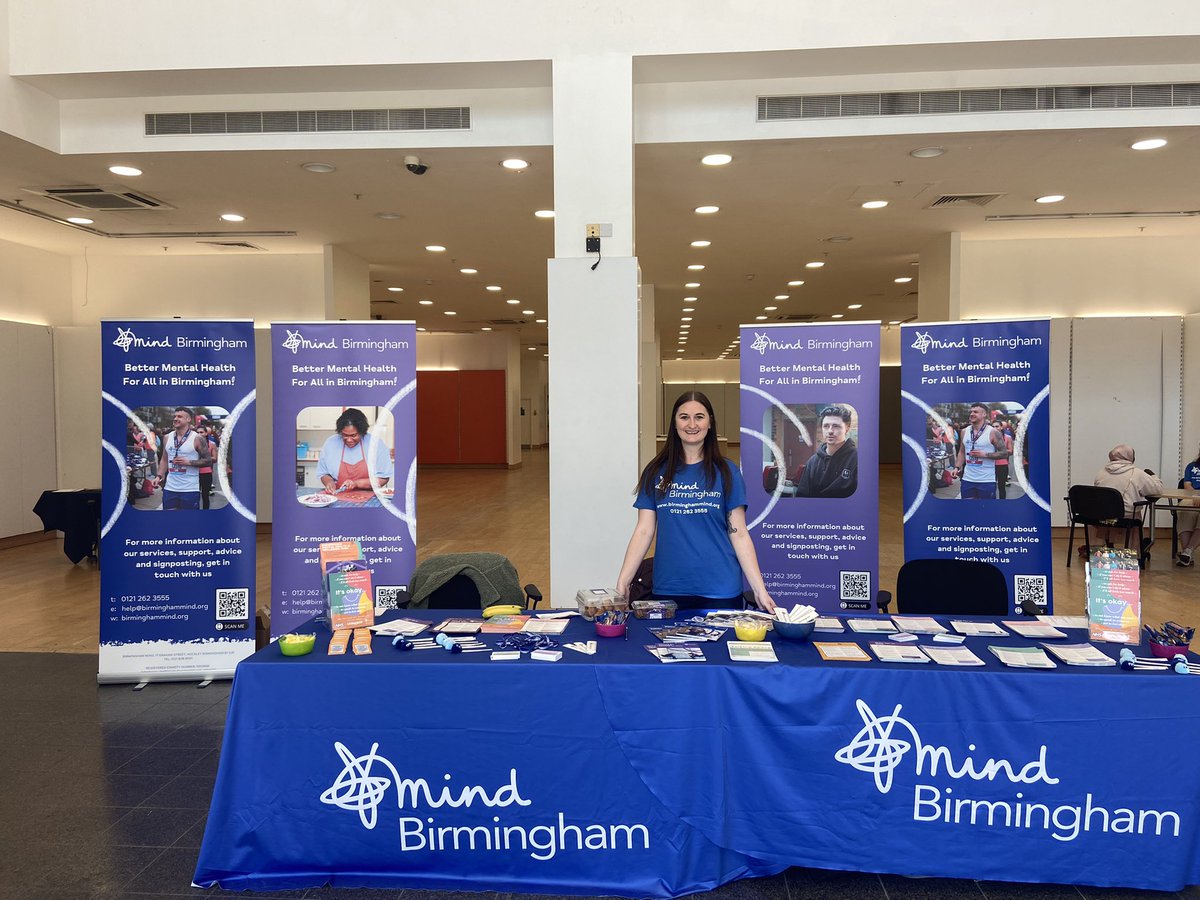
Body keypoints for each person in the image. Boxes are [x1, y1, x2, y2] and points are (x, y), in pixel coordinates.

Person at [617, 391, 775, 612]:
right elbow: (644, 531)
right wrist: (624, 579)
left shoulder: (727, 472)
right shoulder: (655, 471)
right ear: (674, 423)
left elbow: (738, 533)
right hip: (669, 588)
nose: (692, 424)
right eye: (684, 417)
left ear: (710, 422)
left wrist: (759, 589)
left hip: (720, 589)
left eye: (699, 417)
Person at [1092, 444, 1163, 548]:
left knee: (1112, 511)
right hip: (1126, 517)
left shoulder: (1101, 473)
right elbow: (1157, 490)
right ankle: (1134, 551)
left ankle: (1107, 547)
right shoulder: (1137, 473)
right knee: (1134, 511)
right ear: (1130, 457)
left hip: (1102, 517)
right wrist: (1154, 477)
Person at [315, 408, 392, 493]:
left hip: (369, 497)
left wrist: (356, 483)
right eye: (344, 435)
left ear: (362, 432)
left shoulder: (376, 444)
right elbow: (323, 473)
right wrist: (329, 482)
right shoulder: (330, 443)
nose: (349, 440)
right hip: (338, 495)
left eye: (353, 435)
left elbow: (383, 478)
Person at [793, 404, 858, 498]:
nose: (830, 431)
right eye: (826, 426)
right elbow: (802, 495)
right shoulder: (813, 461)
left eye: (836, 426)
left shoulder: (858, 459)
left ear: (847, 428)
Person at [154, 406, 210, 510]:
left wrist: (189, 462)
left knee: (189, 522)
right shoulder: (166, 437)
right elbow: (164, 459)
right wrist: (159, 476)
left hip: (190, 489)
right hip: (170, 488)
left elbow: (208, 461)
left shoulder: (197, 438)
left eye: (180, 417)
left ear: (188, 419)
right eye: (174, 416)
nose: (175, 419)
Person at [949, 403, 1009, 500]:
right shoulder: (964, 431)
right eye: (971, 412)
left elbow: (1004, 453)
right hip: (967, 479)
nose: (972, 414)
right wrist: (957, 467)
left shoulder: (993, 432)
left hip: (986, 480)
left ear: (984, 414)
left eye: (975, 412)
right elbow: (961, 452)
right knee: (968, 511)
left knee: (986, 511)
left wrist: (985, 454)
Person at [1174, 444, 1200, 567]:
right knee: (1184, 509)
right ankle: (1187, 553)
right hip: (1191, 497)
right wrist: (1195, 496)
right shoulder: (1191, 466)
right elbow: (1187, 485)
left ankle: (1187, 551)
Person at [992, 416, 1014, 500]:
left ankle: (1002, 503)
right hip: (990, 465)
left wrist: (1000, 451)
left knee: (1001, 487)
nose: (995, 428)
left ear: (1001, 427)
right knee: (991, 487)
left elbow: (1011, 451)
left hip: (1002, 465)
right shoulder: (988, 437)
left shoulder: (1007, 438)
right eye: (993, 426)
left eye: (997, 426)